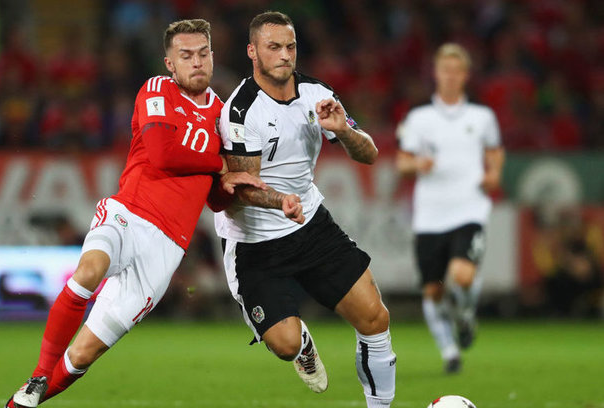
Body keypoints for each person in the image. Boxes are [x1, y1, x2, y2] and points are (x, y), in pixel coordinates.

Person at [5, 19, 265, 408]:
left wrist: (236, 186)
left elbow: (214, 200)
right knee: (88, 272)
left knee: (81, 357)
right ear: (170, 64)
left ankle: (20, 403)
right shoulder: (157, 89)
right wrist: (220, 164)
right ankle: (39, 374)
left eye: (203, 53)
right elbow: (162, 154)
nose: (196, 62)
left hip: (167, 249)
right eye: (186, 55)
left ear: (213, 57)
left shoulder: (224, 118)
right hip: (129, 213)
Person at [215, 11, 395, 408]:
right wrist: (280, 201)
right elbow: (241, 187)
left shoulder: (317, 94)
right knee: (284, 344)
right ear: (252, 52)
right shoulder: (241, 111)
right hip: (256, 243)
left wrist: (345, 131)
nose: (284, 55)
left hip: (311, 226)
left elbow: (370, 154)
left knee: (375, 318)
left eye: (290, 46)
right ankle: (302, 346)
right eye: (273, 47)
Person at [396, 43, 505, 373]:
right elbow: (402, 162)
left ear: (466, 76)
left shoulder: (482, 117)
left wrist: (494, 174)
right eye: (446, 70)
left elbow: (495, 150)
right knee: (433, 289)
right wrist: (418, 163)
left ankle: (467, 314)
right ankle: (449, 352)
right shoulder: (419, 118)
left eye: (457, 71)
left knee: (462, 275)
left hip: (469, 207)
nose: (451, 76)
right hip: (430, 214)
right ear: (436, 73)